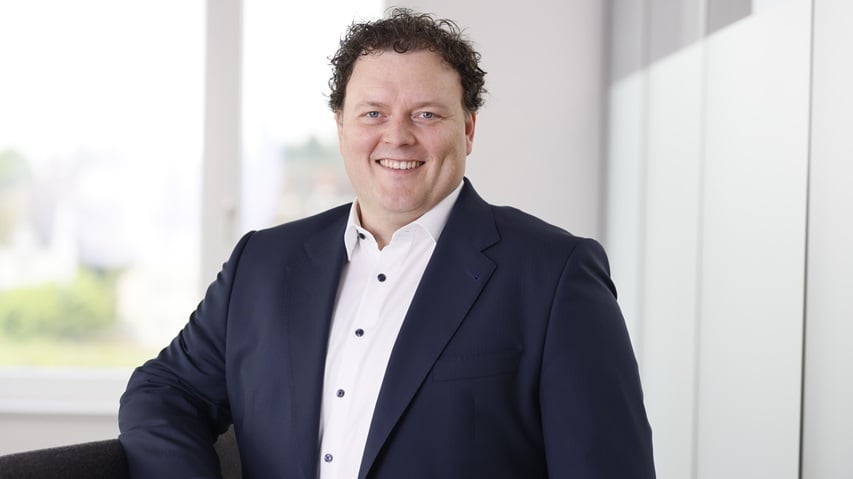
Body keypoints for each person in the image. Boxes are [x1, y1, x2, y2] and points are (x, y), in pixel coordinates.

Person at [119, 8, 655, 479]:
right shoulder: (261, 263)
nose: (397, 135)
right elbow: (164, 390)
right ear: (341, 126)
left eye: (427, 114)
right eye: (373, 113)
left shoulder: (554, 275)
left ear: (468, 128)